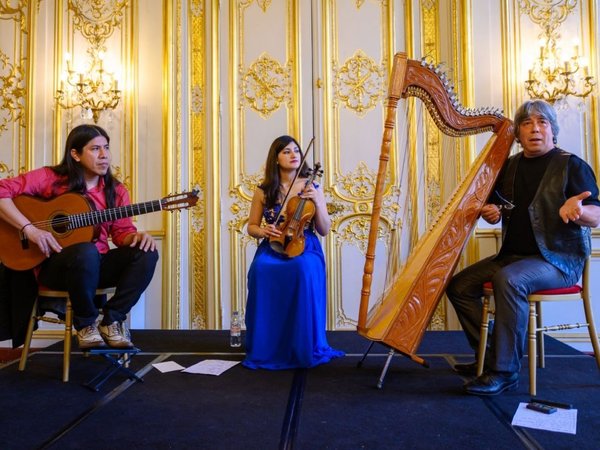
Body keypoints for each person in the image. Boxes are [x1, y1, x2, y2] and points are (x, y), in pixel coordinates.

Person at [446, 99, 600, 396]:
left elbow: (596, 214)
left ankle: (504, 372)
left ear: (552, 130)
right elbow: (497, 207)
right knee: (459, 286)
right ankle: (490, 356)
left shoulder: (572, 165)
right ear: (518, 133)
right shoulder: (510, 167)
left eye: (542, 122)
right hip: (514, 257)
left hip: (557, 261)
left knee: (510, 280)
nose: (535, 129)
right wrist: (491, 212)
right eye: (527, 123)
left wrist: (578, 210)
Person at [0, 124, 158, 350]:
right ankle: (85, 324)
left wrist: (136, 237)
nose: (104, 155)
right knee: (86, 251)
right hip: (56, 268)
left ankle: (112, 319)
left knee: (146, 253)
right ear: (75, 154)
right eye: (95, 149)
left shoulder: (116, 190)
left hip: (97, 266)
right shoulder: (50, 178)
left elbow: (121, 233)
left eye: (106, 147)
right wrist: (30, 229)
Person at [243, 135, 345, 369]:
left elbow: (324, 229)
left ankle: (301, 344)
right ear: (276, 159)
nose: (294, 155)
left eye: (296, 151)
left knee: (302, 267)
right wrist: (264, 231)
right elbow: (252, 227)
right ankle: (267, 346)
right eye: (286, 151)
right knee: (261, 267)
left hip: (305, 245)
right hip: (274, 243)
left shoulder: (312, 187)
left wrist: (318, 202)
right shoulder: (264, 191)